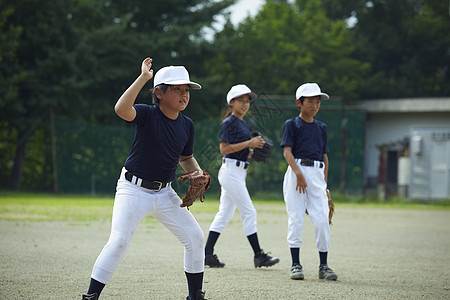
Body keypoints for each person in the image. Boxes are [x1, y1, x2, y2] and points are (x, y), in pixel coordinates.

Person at [82, 58, 208, 300]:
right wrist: (143, 78)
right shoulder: (148, 114)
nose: (184, 95)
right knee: (119, 241)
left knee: (195, 237)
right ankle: (91, 296)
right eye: (177, 89)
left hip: (165, 193)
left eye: (186, 90)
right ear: (159, 93)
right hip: (133, 189)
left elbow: (186, 158)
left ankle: (194, 296)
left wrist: (198, 173)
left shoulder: (187, 125)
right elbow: (121, 110)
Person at [204, 84, 280, 269]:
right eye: (241, 100)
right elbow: (224, 149)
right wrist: (250, 142)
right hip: (230, 172)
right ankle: (259, 255)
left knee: (225, 213)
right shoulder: (229, 122)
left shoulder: (244, 124)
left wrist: (252, 153)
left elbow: (240, 150)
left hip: (238, 171)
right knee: (249, 212)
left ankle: (207, 254)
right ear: (232, 102)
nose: (245, 104)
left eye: (247, 101)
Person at [281, 82, 338, 281]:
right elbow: (287, 152)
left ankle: (324, 265)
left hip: (317, 173)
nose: (314, 105)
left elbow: (324, 156)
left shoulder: (322, 127)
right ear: (299, 102)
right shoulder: (292, 124)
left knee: (322, 219)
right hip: (297, 171)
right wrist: (298, 174)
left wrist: (324, 183)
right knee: (296, 218)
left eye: (317, 101)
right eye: (310, 101)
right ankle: (296, 264)